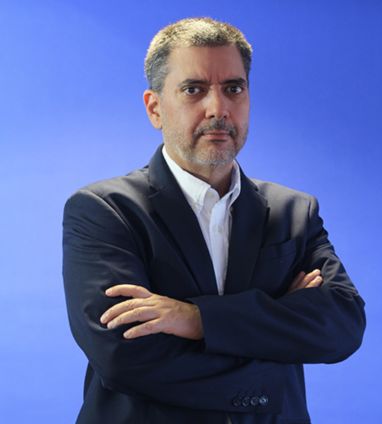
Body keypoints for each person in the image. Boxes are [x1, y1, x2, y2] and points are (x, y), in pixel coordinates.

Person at [63, 17, 366, 424]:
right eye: (194, 89)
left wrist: (197, 320)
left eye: (233, 89)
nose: (218, 109)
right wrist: (276, 348)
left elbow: (342, 326)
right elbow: (125, 356)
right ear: (155, 108)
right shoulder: (105, 210)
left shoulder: (295, 212)